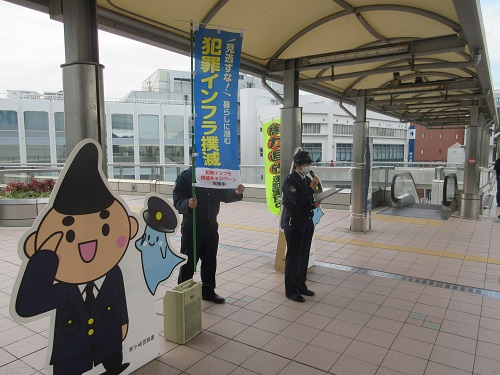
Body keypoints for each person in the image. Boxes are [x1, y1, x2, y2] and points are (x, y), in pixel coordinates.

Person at [173, 168, 245, 304]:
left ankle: (208, 291)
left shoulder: (213, 175)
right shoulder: (186, 177)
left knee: (210, 261)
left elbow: (223, 193)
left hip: (211, 226)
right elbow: (177, 200)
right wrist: (186, 203)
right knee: (189, 262)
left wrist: (235, 193)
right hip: (192, 227)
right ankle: (182, 293)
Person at [281, 150, 320, 302]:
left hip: (306, 220)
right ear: (297, 165)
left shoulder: (305, 178)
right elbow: (296, 201)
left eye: (309, 164)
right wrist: (311, 187)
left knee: (304, 255)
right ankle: (290, 290)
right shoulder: (290, 181)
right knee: (294, 256)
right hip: (294, 222)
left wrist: (313, 204)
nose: (307, 167)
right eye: (304, 164)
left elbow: (305, 200)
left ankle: (301, 285)